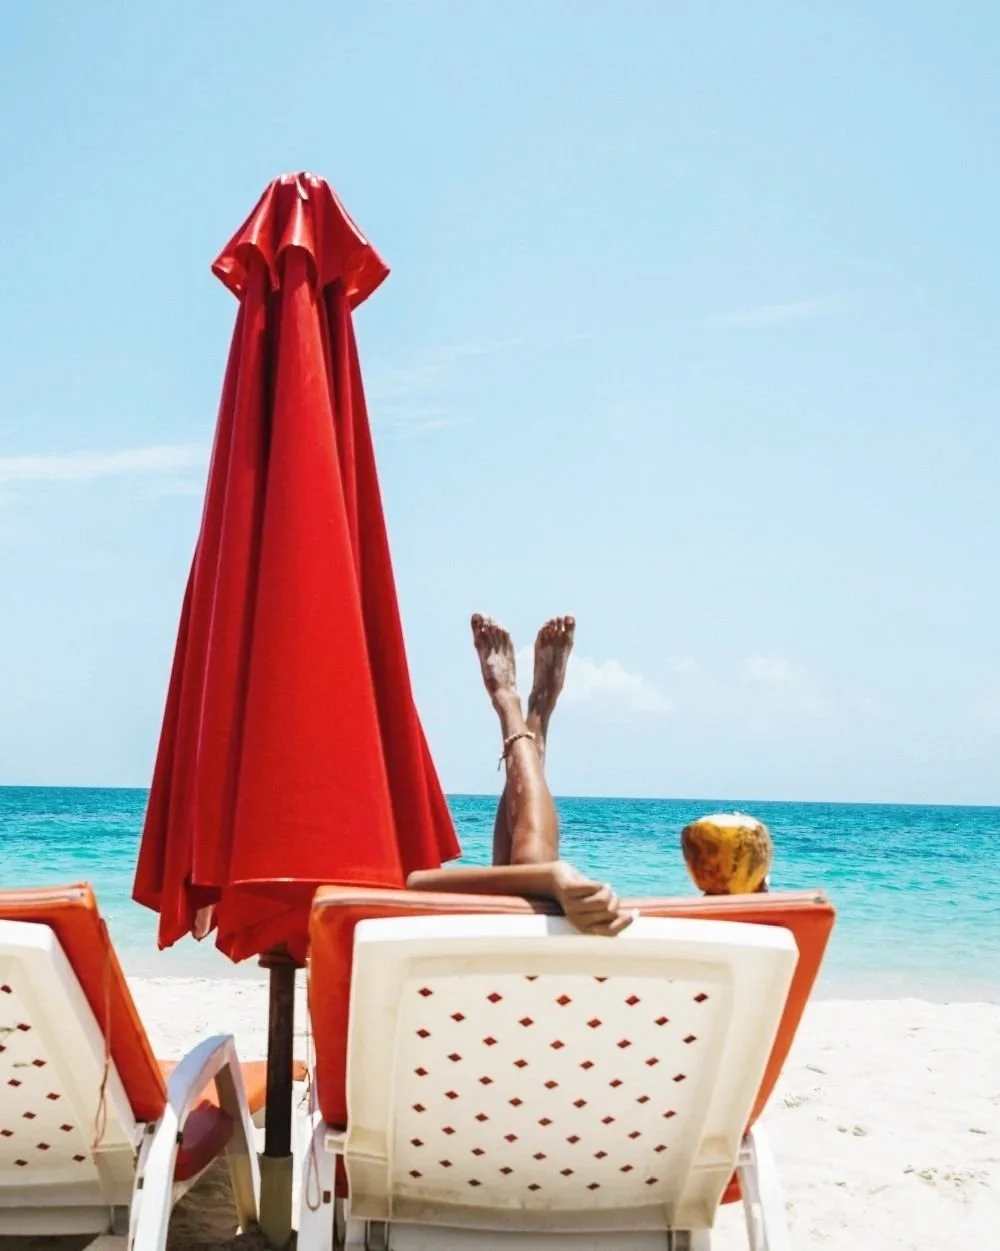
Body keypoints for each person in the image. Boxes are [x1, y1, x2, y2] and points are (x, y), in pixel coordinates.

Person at [407, 614, 635, 936]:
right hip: (516, 963)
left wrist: (550, 877)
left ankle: (511, 705)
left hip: (497, 961)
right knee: (526, 874)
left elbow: (417, 884)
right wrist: (545, 877)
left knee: (527, 874)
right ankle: (536, 713)